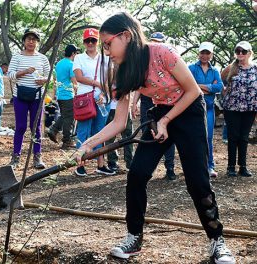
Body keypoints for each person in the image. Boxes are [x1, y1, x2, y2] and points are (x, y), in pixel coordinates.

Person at [76, 12, 235, 263]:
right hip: (160, 113)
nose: (106, 51)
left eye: (108, 44)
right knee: (137, 173)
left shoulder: (162, 52)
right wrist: (86, 146)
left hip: (188, 111)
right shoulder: (124, 70)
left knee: (197, 181)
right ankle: (134, 236)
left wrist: (166, 121)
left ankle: (217, 240)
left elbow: (193, 90)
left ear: (126, 36)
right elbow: (118, 122)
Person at [131, 32, 177, 180]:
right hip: (147, 105)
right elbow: (139, 87)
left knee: (167, 137)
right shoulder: (141, 62)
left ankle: (170, 168)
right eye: (153, 42)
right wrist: (134, 103)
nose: (155, 45)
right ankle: (148, 169)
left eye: (158, 42)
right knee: (149, 136)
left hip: (167, 105)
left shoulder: (167, 57)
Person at [72, 28, 114, 177]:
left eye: (93, 40)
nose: (90, 43)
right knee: (83, 132)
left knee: (100, 133)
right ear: (84, 42)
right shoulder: (79, 58)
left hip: (102, 99)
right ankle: (80, 164)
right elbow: (79, 77)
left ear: (98, 41)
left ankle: (101, 165)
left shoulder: (106, 57)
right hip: (85, 100)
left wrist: (103, 92)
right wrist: (97, 84)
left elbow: (110, 77)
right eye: (87, 40)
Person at [7, 29, 50, 169]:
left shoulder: (43, 58)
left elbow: (50, 77)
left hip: (37, 96)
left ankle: (37, 157)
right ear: (24, 41)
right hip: (20, 96)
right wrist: (24, 72)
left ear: (37, 42)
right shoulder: (17, 57)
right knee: (20, 127)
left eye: (34, 39)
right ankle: (15, 157)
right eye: (28, 39)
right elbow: (10, 75)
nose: (31, 41)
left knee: (36, 127)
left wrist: (43, 80)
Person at [220, 41, 256, 177]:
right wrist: (224, 92)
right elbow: (219, 81)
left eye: (243, 51)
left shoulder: (255, 68)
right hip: (232, 108)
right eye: (238, 51)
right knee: (233, 136)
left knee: (244, 137)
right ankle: (230, 167)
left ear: (249, 53)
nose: (240, 53)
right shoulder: (231, 67)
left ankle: (243, 167)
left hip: (250, 108)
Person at [188, 42, 224, 178]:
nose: (204, 55)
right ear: (199, 53)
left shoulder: (215, 71)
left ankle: (209, 166)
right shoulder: (191, 68)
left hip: (209, 108)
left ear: (211, 55)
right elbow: (186, 84)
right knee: (193, 137)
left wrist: (198, 86)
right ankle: (194, 166)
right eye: (202, 52)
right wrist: (209, 86)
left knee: (208, 137)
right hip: (193, 108)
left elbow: (219, 87)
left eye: (207, 53)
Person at [47, 44, 79, 150]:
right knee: (69, 118)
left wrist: (55, 94)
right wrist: (77, 93)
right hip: (68, 94)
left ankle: (53, 129)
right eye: (76, 53)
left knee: (65, 115)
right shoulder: (71, 64)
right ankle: (67, 141)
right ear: (73, 53)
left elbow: (56, 80)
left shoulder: (59, 63)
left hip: (60, 94)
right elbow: (74, 82)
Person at [106, 67, 133, 173]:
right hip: (117, 109)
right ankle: (127, 162)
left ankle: (114, 162)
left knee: (114, 138)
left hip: (118, 109)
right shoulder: (124, 78)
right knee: (127, 137)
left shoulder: (110, 79)